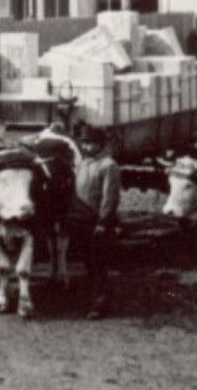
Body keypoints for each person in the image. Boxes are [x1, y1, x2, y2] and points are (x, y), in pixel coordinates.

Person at [71, 123, 122, 319]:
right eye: (84, 143)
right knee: (87, 264)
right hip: (82, 222)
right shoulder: (83, 164)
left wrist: (103, 222)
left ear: (101, 144)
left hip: (99, 223)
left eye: (91, 144)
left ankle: (99, 305)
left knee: (99, 265)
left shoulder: (108, 165)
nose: (87, 147)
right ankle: (90, 301)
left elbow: (110, 197)